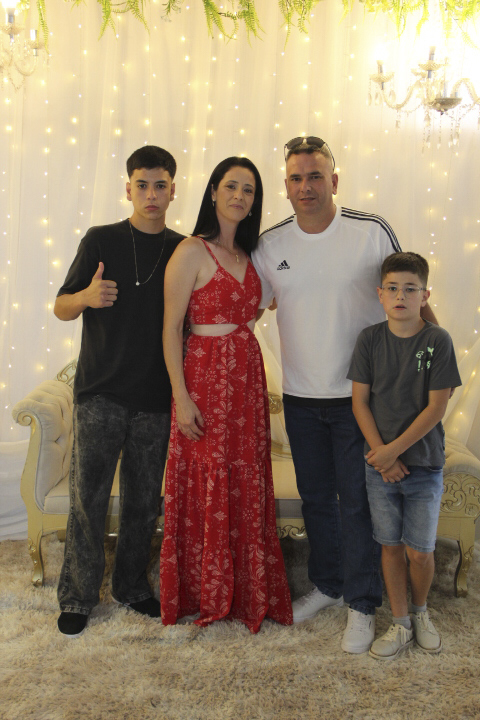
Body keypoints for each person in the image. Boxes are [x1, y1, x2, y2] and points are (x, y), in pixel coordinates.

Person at [252, 136, 438, 653]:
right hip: (301, 397)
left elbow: (411, 294)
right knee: (316, 499)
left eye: (316, 176)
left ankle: (361, 602)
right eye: (296, 178)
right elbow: (249, 307)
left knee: (358, 503)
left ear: (334, 180)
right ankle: (329, 585)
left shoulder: (370, 231)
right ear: (285, 186)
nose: (306, 186)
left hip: (364, 398)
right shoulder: (270, 245)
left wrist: (435, 361)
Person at [160, 157, 293, 633]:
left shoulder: (253, 255)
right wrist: (182, 398)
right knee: (207, 476)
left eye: (249, 190)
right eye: (231, 186)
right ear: (214, 191)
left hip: (246, 381)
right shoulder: (191, 251)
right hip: (203, 379)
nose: (239, 196)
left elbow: (256, 310)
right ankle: (205, 592)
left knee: (246, 475)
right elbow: (171, 329)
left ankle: (247, 592)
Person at [54, 145, 183, 637]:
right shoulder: (101, 239)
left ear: (173, 190)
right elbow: (61, 306)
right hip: (100, 394)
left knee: (143, 504)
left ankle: (131, 586)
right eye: (142, 185)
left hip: (156, 397)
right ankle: (78, 596)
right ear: (128, 189)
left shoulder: (183, 248)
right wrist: (86, 297)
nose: (151, 194)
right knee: (87, 500)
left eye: (160, 185)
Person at [348, 252, 461, 660]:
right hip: (380, 469)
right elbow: (360, 402)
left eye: (410, 289)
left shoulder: (437, 341)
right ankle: (399, 622)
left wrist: (392, 452)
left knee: (420, 551)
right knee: (391, 546)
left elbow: (436, 408)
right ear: (380, 294)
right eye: (393, 288)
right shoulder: (369, 339)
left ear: (424, 295)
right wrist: (383, 457)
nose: (400, 296)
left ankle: (421, 612)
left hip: (424, 465)